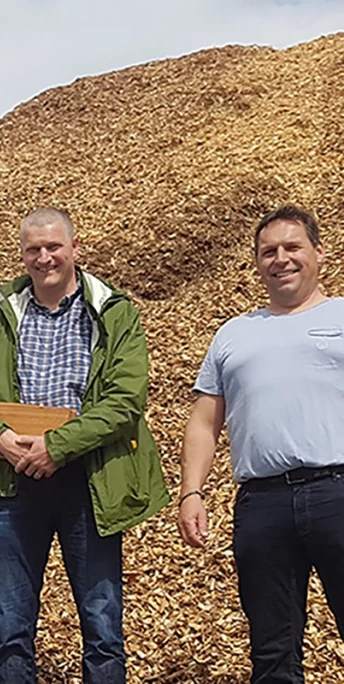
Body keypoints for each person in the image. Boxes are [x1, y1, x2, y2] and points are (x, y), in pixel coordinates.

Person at [0, 207, 169, 684]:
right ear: (23, 255)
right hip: (13, 482)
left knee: (101, 621)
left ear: (74, 248)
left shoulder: (114, 312)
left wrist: (58, 446)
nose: (44, 257)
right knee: (11, 627)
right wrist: (0, 438)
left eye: (53, 246)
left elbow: (124, 401)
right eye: (34, 249)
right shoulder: (3, 315)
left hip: (89, 482)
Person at [179, 204, 344, 683]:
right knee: (272, 650)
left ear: (319, 252)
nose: (281, 259)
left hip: (339, 490)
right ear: (257, 263)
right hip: (263, 503)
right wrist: (192, 491)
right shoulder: (234, 334)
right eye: (269, 251)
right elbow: (204, 423)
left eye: (293, 247)